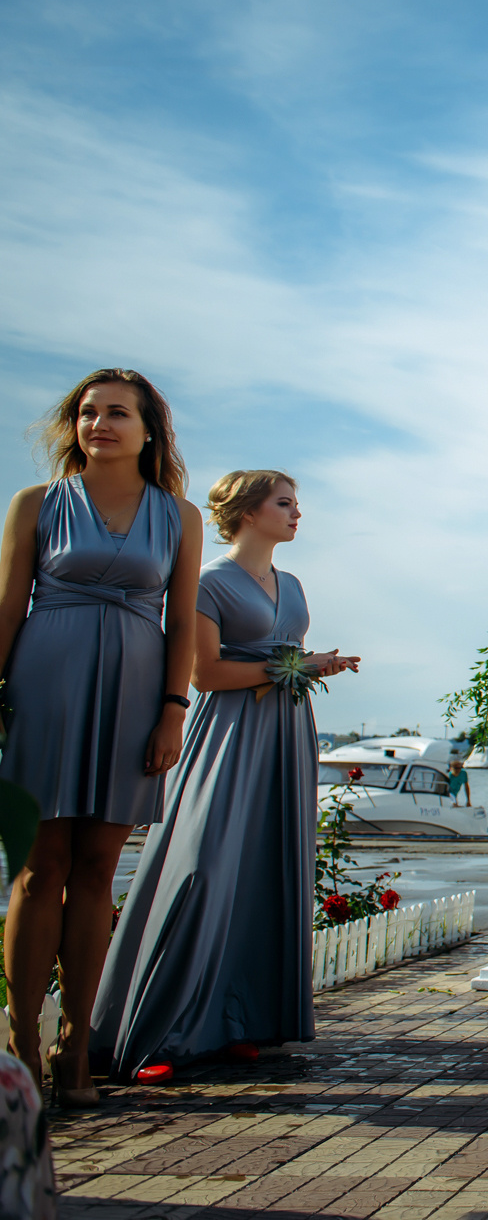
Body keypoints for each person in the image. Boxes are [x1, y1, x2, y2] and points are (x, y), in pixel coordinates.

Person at [93, 471, 359, 1083]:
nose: (297, 514)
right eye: (284, 503)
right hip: (230, 733)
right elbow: (206, 674)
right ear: (248, 511)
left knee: (263, 869)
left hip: (285, 733)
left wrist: (317, 664)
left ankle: (236, 1022)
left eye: (296, 504)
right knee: (203, 866)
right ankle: (159, 1030)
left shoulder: (292, 585)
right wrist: (300, 666)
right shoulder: (207, 581)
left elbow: (282, 657)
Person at [0, 369, 201, 1109]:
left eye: (118, 412)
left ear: (149, 431)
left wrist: (173, 709)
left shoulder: (179, 516)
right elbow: (7, 608)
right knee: (37, 867)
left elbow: (181, 621)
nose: (100, 424)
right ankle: (22, 1045)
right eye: (88, 412)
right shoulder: (37, 504)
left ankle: (75, 1045)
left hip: (135, 698)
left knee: (96, 869)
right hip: (43, 691)